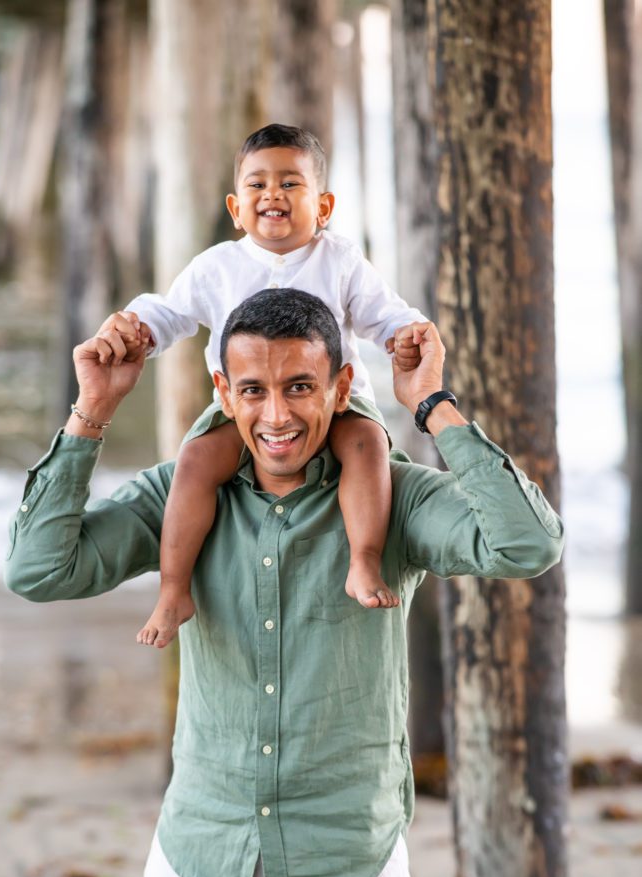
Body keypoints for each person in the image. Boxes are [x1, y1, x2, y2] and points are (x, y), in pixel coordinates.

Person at [5, 288, 564, 877]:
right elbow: (39, 570)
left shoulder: (393, 498)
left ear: (339, 386)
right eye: (253, 390)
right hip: (198, 864)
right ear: (222, 391)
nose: (276, 415)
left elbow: (526, 543)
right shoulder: (179, 495)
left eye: (300, 387)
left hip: (345, 873)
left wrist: (432, 405)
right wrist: (94, 410)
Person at [98, 123, 430, 649]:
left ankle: (363, 560)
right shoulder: (218, 266)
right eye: (257, 185)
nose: (272, 193)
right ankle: (173, 588)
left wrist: (405, 336)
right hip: (242, 409)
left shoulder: (340, 260)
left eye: (291, 183)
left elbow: (383, 315)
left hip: (334, 405)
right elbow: (170, 313)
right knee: (194, 462)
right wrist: (137, 330)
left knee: (369, 447)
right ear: (235, 207)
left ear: (323, 206)